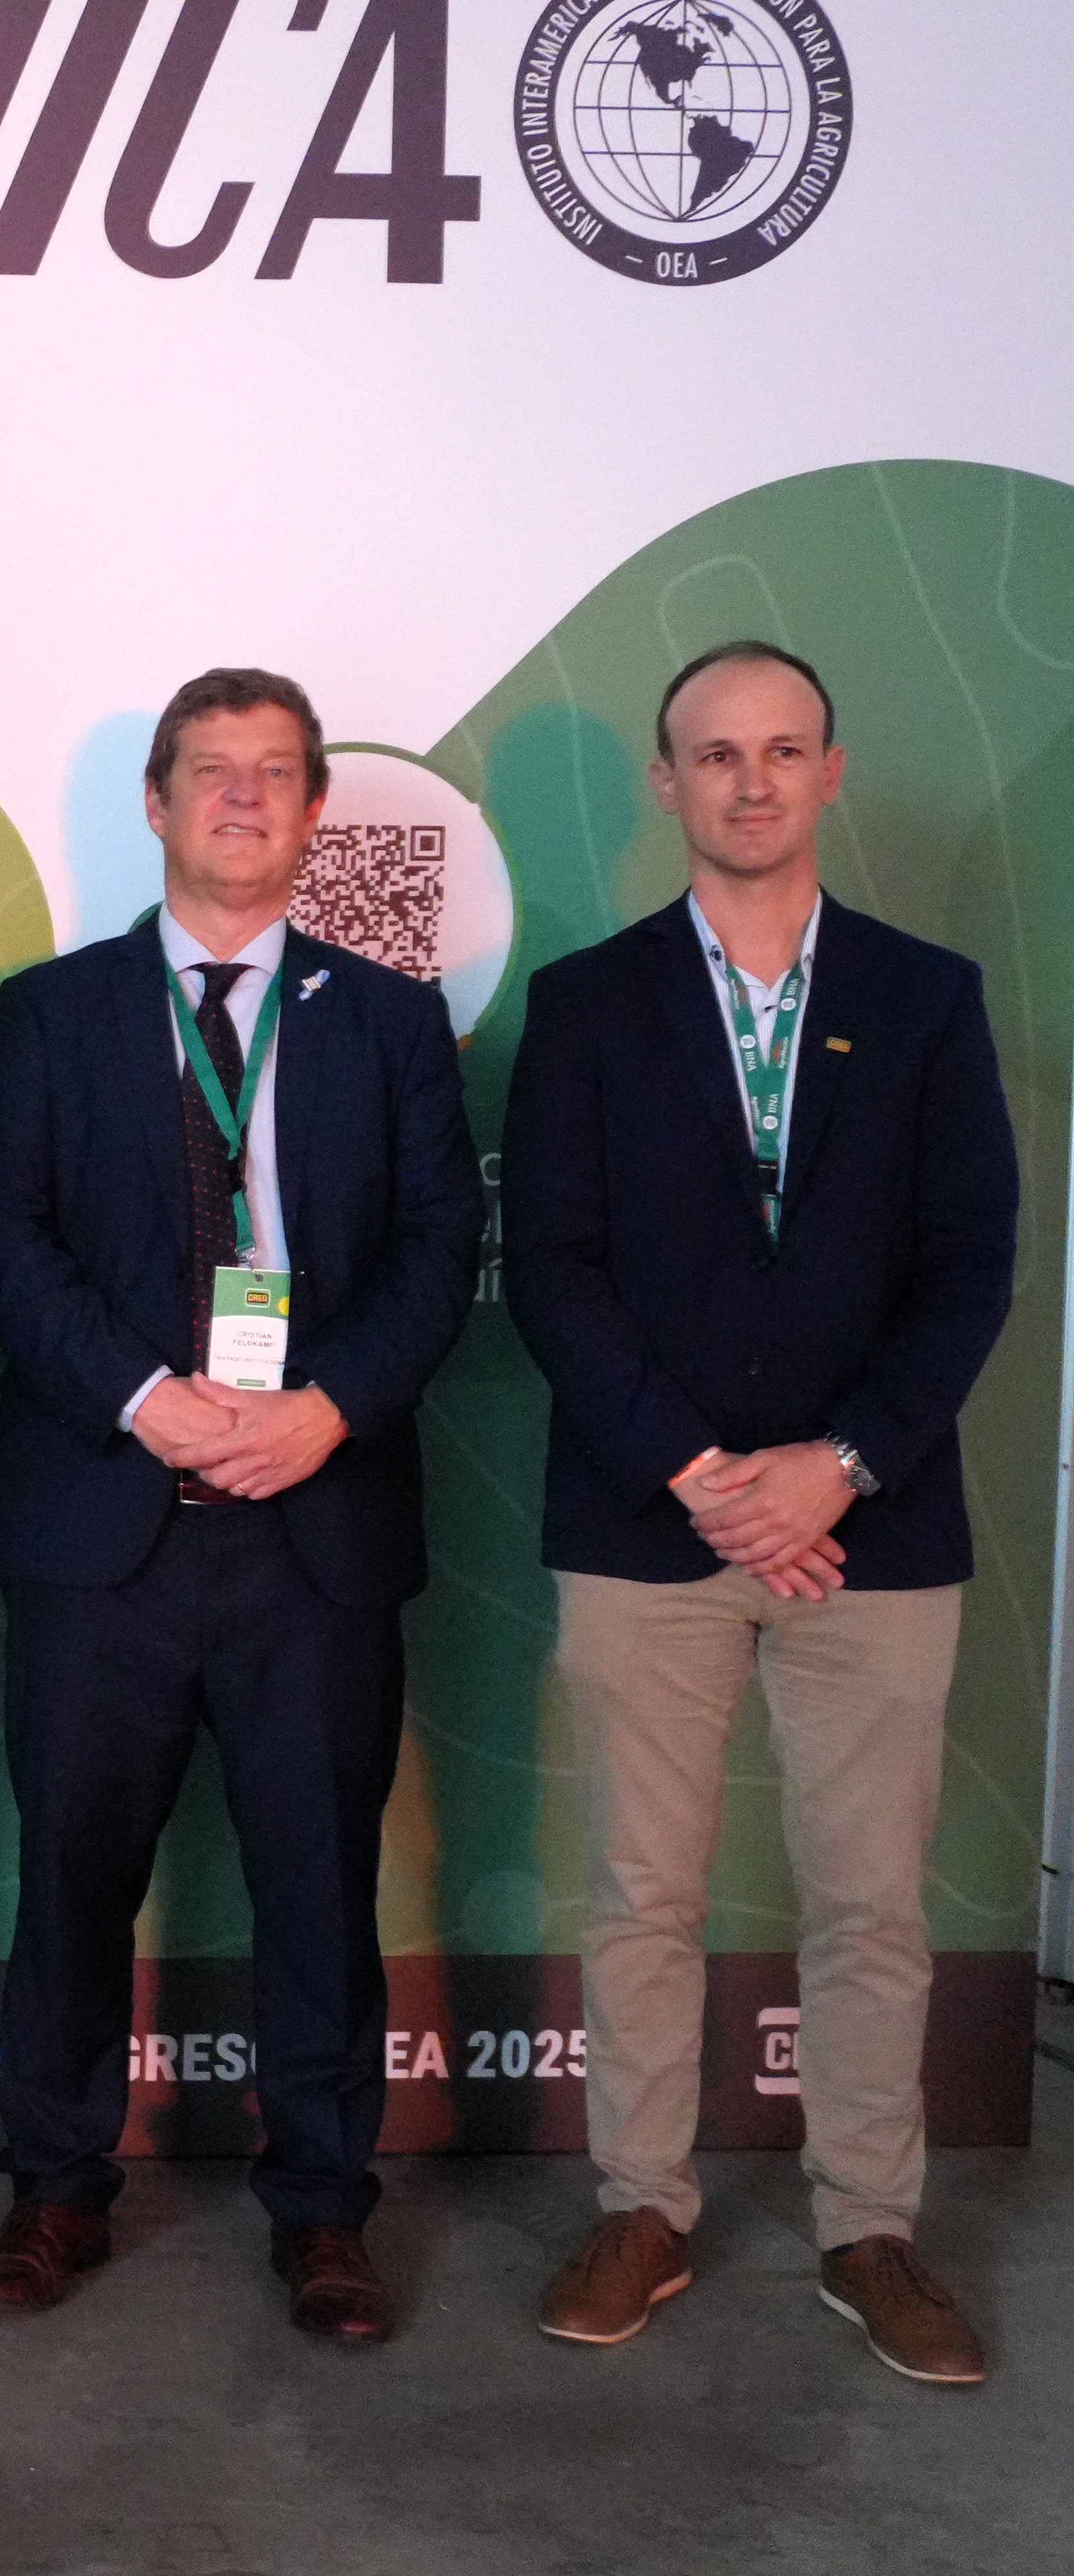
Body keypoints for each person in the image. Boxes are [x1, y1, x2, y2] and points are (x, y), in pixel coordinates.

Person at [506, 642, 1016, 2385]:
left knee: (869, 1904)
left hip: (872, 1526)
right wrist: (707, 1480)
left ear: (827, 770)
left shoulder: (927, 997)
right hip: (645, 1524)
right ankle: (640, 2204)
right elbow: (552, 1271)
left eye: (776, 749)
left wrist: (836, 1466)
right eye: (708, 754)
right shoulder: (582, 1005)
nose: (743, 779)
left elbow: (966, 1272)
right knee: (639, 1891)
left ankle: (866, 2229)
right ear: (664, 783)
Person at [0, 667, 479, 2342]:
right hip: (100, 1519)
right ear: (156, 806)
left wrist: (319, 1410)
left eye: (273, 773)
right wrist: (141, 1396)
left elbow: (431, 1248)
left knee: (316, 1885)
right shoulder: (45, 1015)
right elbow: (3, 1242)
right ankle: (51, 2191)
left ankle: (321, 2211)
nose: (240, 798)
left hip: (309, 1528)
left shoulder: (387, 1020)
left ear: (316, 807)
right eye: (208, 771)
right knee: (68, 1882)